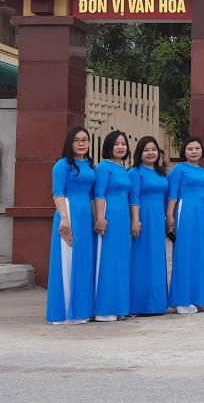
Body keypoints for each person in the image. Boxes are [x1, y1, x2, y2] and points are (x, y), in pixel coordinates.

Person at [45, 126, 97, 324]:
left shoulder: (90, 165)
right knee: (67, 260)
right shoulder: (62, 165)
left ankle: (80, 311)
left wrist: (96, 218)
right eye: (77, 140)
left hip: (85, 216)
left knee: (83, 261)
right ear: (70, 143)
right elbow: (57, 192)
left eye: (85, 140)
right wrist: (64, 217)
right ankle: (64, 313)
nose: (81, 144)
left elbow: (92, 196)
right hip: (69, 213)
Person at [166, 135, 204, 314]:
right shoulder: (179, 169)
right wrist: (170, 215)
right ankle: (181, 300)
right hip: (185, 212)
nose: (194, 151)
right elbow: (173, 194)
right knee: (184, 253)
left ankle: (197, 298)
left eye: (197, 148)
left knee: (199, 254)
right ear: (184, 151)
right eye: (190, 148)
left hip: (201, 214)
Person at [92, 131, 133, 321]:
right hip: (109, 216)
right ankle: (104, 309)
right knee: (108, 260)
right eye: (116, 144)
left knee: (120, 260)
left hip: (123, 217)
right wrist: (100, 218)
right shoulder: (103, 167)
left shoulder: (123, 169)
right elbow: (99, 194)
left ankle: (118, 306)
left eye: (123, 143)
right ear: (109, 146)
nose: (120, 147)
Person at [128, 136, 169, 316]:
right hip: (143, 217)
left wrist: (168, 217)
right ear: (139, 153)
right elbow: (133, 197)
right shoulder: (135, 172)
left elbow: (166, 198)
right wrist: (135, 220)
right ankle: (138, 305)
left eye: (154, 149)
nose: (151, 153)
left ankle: (156, 304)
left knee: (156, 258)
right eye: (146, 150)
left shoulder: (162, 173)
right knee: (141, 258)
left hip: (158, 217)